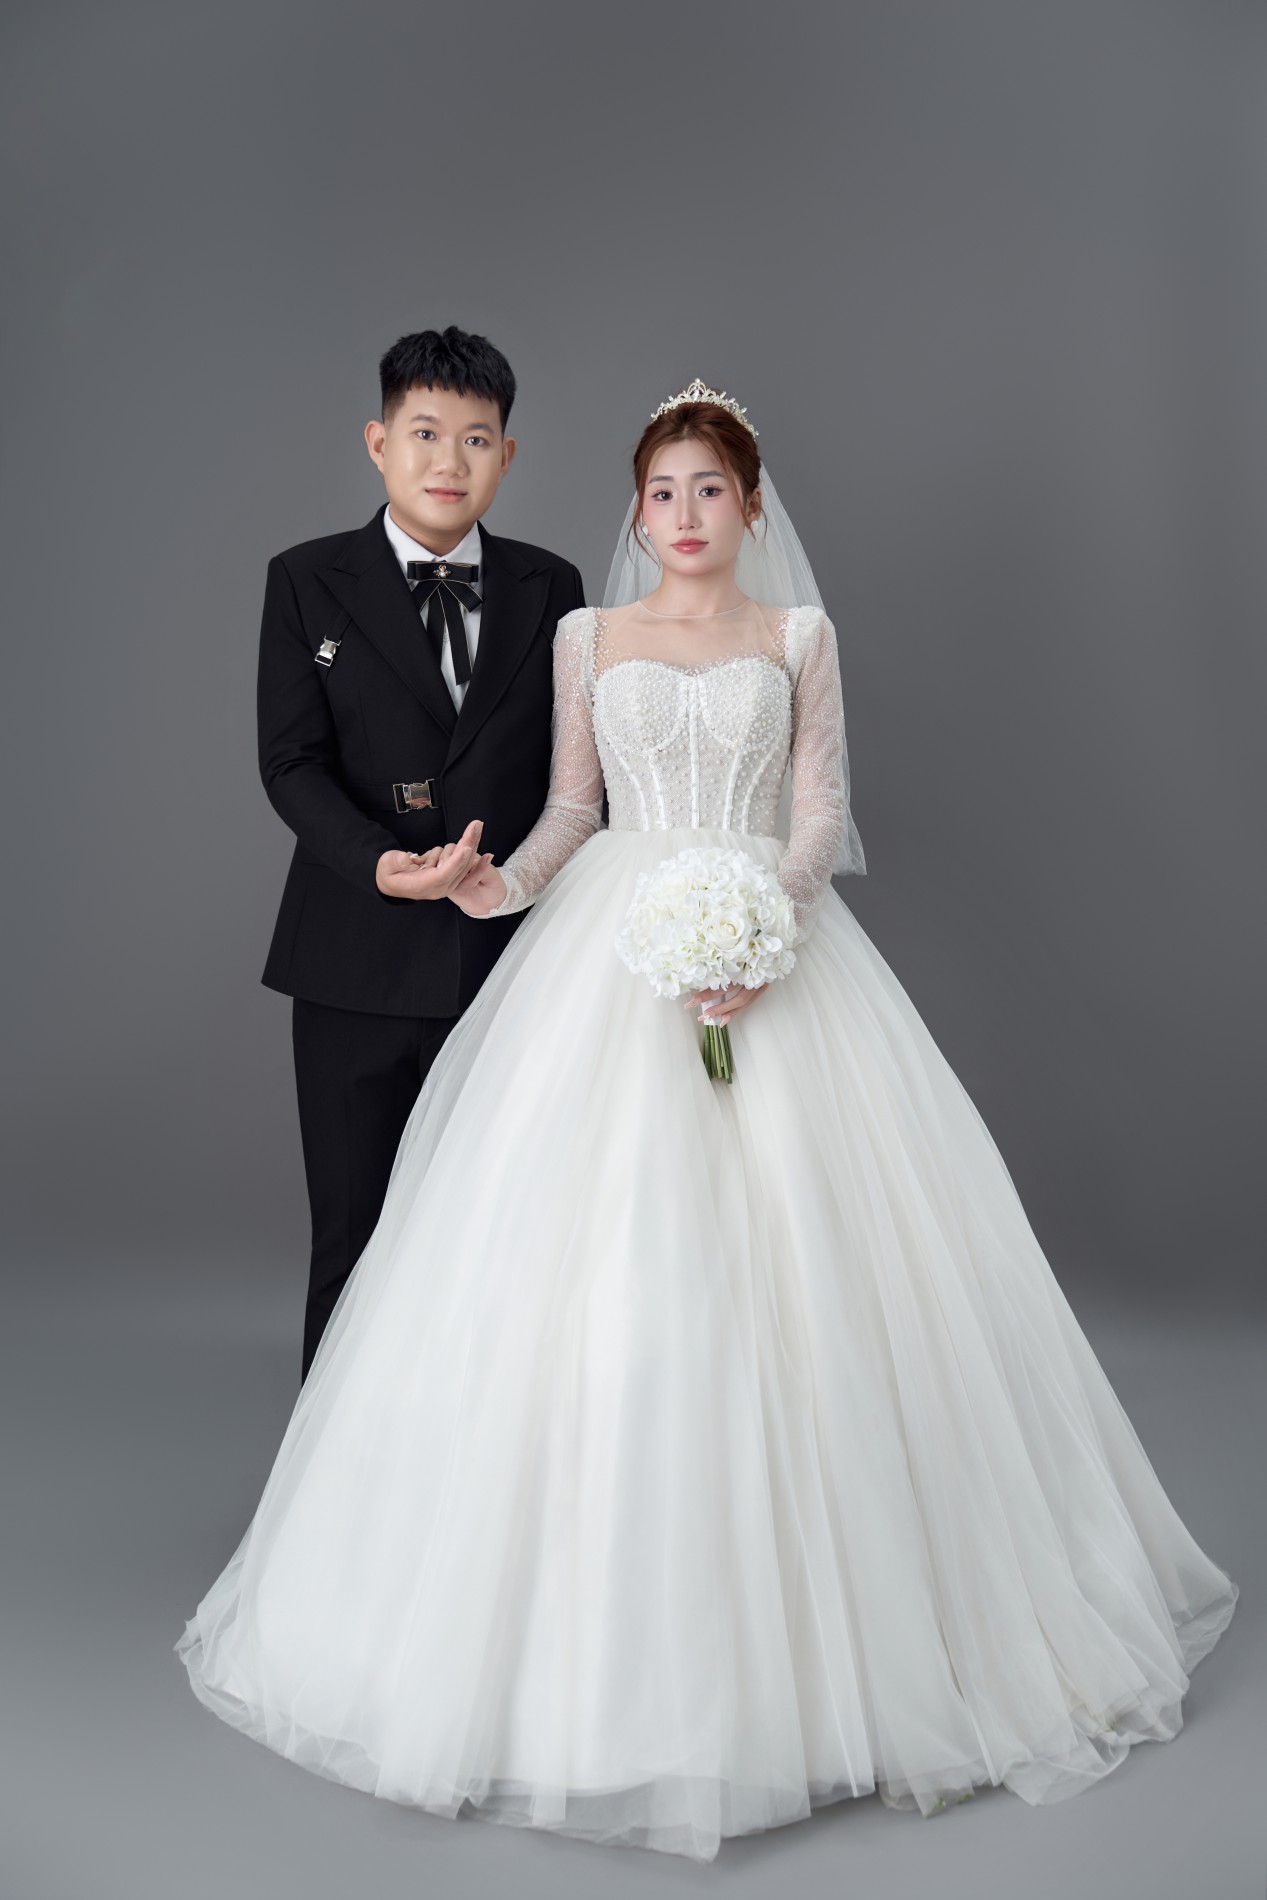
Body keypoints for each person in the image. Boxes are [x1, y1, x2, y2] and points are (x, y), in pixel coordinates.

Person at [180, 382, 1237, 1863]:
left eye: (709, 492)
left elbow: (819, 814)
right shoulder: (583, 636)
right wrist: (495, 885)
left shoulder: (797, 638)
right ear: (636, 511)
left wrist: (763, 924)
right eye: (660, 493)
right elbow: (571, 810)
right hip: (606, 958)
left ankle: (855, 1646)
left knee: (814, 1274)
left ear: (749, 508)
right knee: (589, 1271)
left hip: (769, 956)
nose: (682, 516)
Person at [255, 325, 584, 1377]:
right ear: (378, 442)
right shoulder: (305, 579)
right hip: (352, 959)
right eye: (426, 433)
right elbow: (290, 762)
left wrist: (515, 881)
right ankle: (339, 1466)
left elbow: (579, 779)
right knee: (353, 1237)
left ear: (507, 456)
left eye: (476, 439)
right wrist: (378, 864)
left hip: (510, 966)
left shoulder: (553, 587)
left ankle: (486, 1461)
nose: (450, 461)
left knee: (506, 1237)